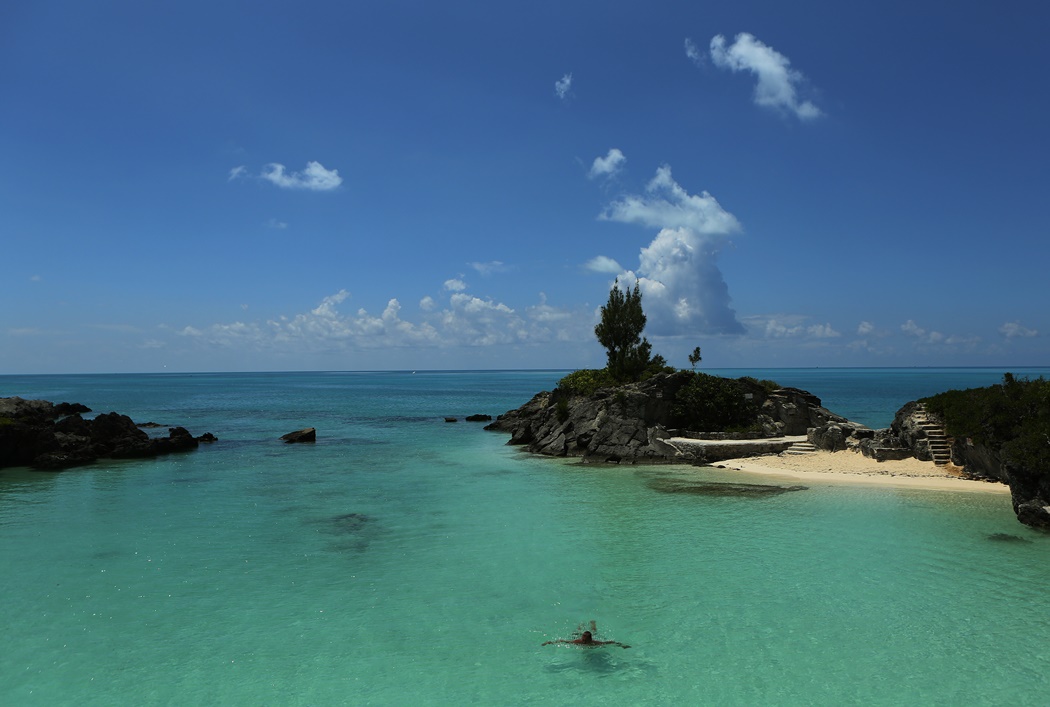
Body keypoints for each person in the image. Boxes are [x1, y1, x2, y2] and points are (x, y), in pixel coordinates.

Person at [542, 622, 630, 649]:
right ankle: (581, 625)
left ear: (590, 639)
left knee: (595, 632)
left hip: (593, 637)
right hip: (578, 636)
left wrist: (622, 645)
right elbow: (563, 641)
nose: (583, 641)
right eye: (582, 638)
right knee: (575, 633)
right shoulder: (578, 641)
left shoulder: (595, 643)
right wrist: (550, 642)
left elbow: (610, 642)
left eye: (584, 639)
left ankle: (593, 624)